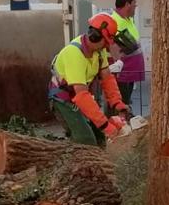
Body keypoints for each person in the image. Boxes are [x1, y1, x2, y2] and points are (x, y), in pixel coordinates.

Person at [49, 12, 130, 146]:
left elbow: (107, 78)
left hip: (81, 97)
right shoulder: (74, 54)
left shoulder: (99, 51)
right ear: (95, 37)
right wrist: (106, 126)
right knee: (85, 139)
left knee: (100, 137)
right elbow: (81, 96)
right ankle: (74, 164)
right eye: (106, 42)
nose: (107, 47)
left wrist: (117, 103)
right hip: (63, 100)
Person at [108, 0, 145, 112]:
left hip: (130, 70)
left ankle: (124, 118)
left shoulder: (127, 19)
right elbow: (117, 47)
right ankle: (119, 121)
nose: (136, 7)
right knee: (120, 100)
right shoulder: (114, 22)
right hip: (123, 71)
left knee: (126, 98)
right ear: (127, 4)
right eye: (134, 4)